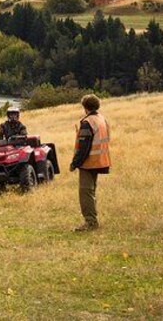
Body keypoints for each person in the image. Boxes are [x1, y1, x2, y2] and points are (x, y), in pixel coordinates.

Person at [70, 94, 111, 232]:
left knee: (85, 192)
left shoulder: (88, 122)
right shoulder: (102, 119)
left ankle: (91, 222)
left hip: (89, 163)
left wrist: (75, 163)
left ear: (85, 107)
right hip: (101, 160)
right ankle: (93, 220)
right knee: (91, 191)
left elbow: (84, 146)